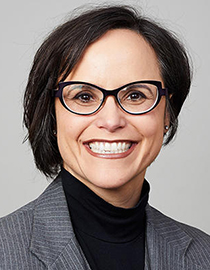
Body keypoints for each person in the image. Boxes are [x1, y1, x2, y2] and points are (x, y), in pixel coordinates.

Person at [0, 5, 209, 270]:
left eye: (136, 95)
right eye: (83, 97)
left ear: (167, 114)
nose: (111, 121)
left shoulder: (205, 255)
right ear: (52, 116)